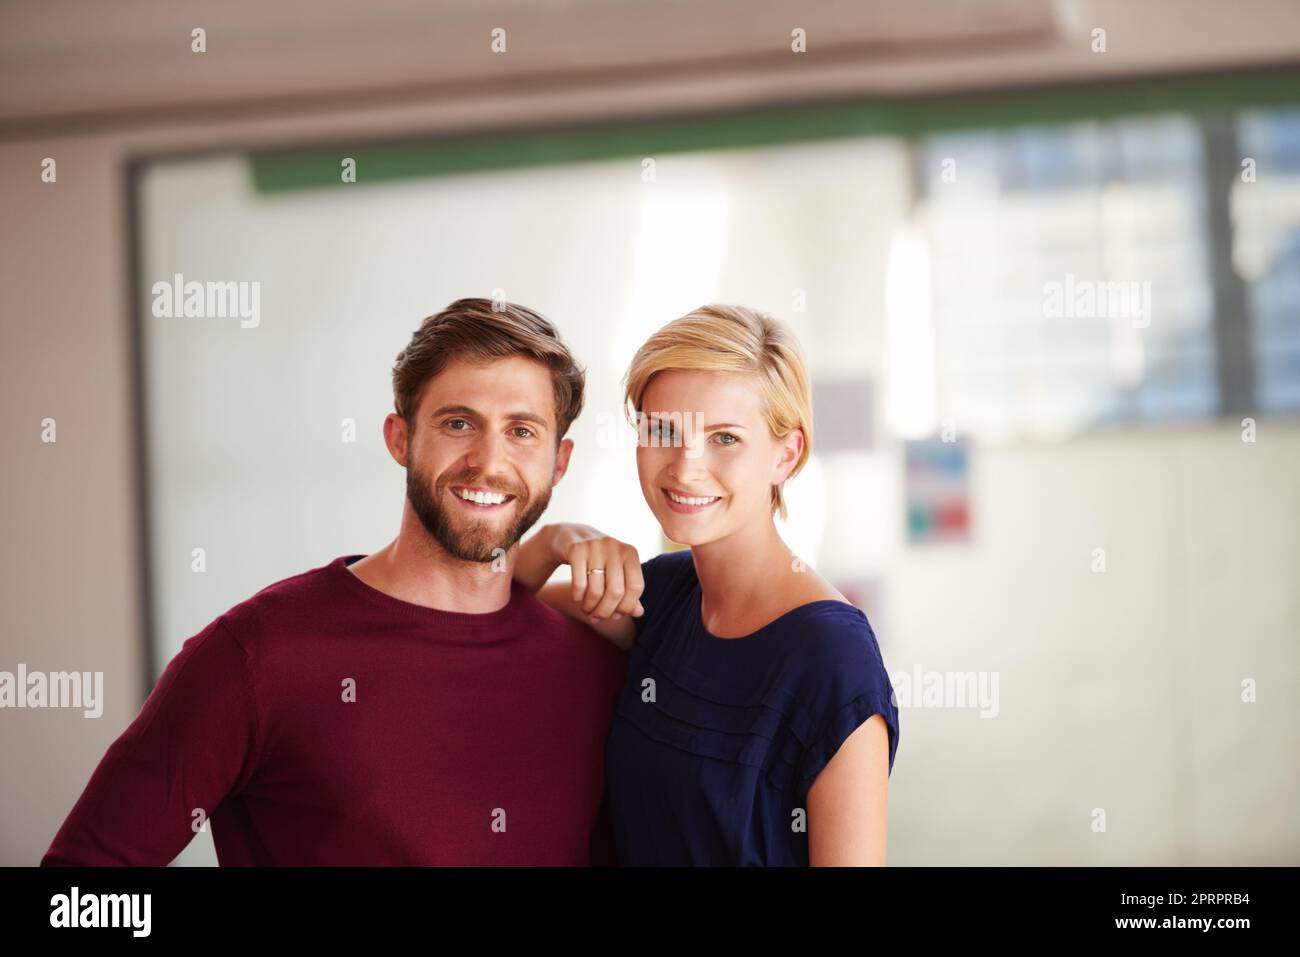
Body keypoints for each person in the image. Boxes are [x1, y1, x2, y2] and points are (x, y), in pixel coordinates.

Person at [41, 298, 628, 866]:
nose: (489, 460)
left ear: (559, 461)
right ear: (401, 439)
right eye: (457, 423)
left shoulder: (592, 667)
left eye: (522, 431)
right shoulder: (258, 656)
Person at [514, 304, 899, 865]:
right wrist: (557, 541)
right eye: (663, 431)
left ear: (785, 456)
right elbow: (494, 609)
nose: (685, 467)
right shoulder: (660, 597)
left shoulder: (831, 656)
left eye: (724, 438)